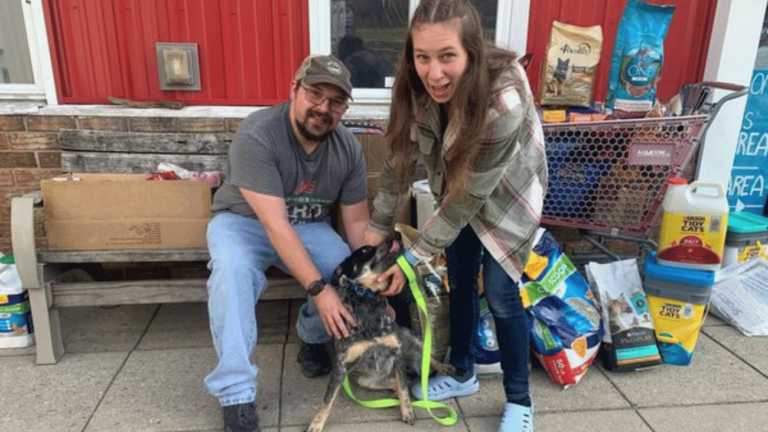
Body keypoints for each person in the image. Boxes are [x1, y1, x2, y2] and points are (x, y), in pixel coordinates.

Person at [363, 1, 547, 431]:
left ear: (472, 52)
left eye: (447, 56)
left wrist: (411, 259)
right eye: (422, 56)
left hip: (509, 194)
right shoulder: (414, 83)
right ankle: (462, 373)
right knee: (460, 279)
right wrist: (375, 234)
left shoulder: (503, 99)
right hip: (458, 189)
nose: (434, 72)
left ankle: (520, 401)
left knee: (501, 292)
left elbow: (469, 198)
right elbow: (398, 161)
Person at [205, 54, 369, 432]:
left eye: (336, 101)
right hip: (243, 222)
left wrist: (368, 281)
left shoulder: (348, 149)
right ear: (294, 89)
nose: (323, 108)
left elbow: (357, 221)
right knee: (231, 273)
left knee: (342, 267)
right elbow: (276, 227)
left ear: (344, 108)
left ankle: (311, 337)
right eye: (314, 93)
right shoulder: (259, 132)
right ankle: (236, 396)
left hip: (308, 226)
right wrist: (319, 289)